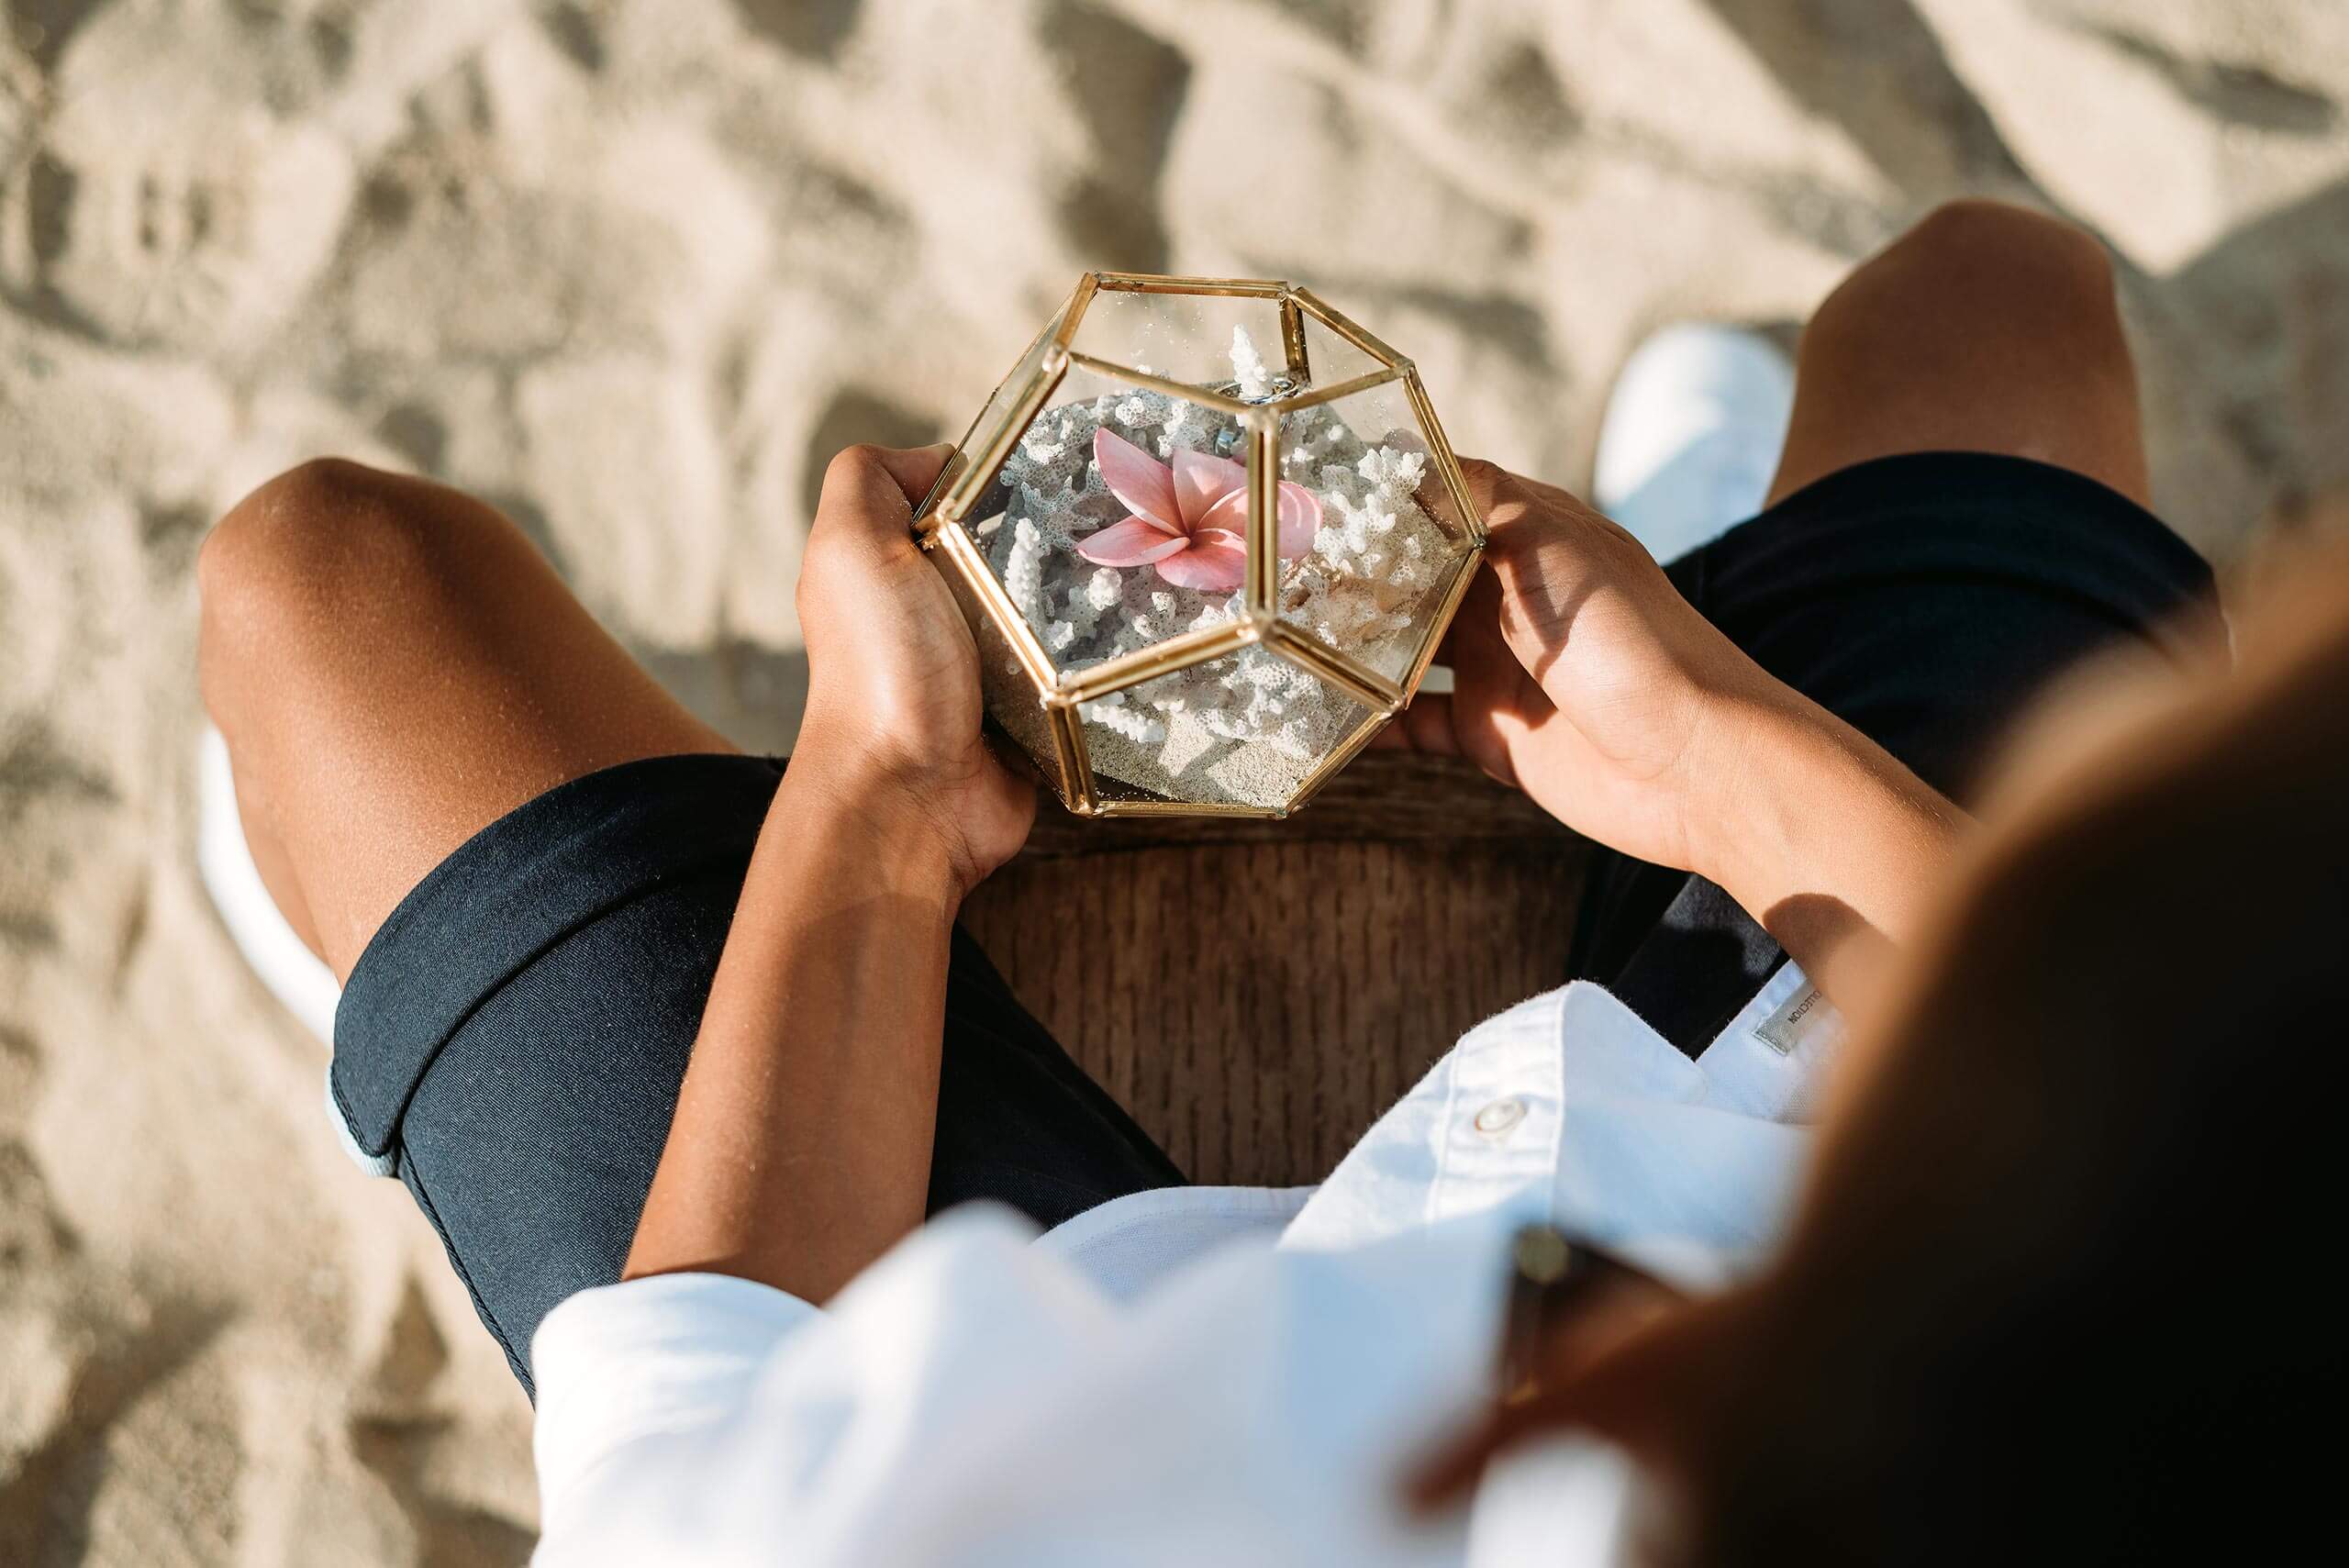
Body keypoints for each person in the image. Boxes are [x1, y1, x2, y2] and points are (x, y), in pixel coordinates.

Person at [195, 200, 2227, 1560]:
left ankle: (396, 1013)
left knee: (328, 591)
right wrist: (1717, 756)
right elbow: (2173, 1185)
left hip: (1010, 1327)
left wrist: (885, 806)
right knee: (1986, 299)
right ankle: (1731, 558)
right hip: (1780, 1121)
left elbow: (699, 1419)